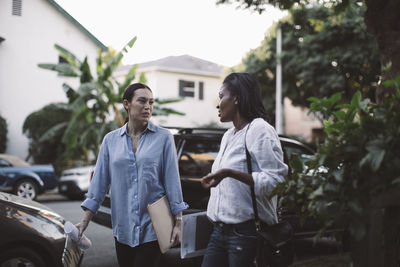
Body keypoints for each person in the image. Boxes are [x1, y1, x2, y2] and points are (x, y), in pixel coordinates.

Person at [76, 83, 188, 267]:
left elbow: (172, 182)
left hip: (153, 227)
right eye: (142, 101)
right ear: (127, 104)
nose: (148, 107)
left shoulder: (164, 138)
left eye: (151, 102)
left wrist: (179, 222)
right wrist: (84, 221)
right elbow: (99, 184)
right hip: (123, 229)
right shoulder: (110, 140)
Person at [200, 73, 288, 267]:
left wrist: (230, 173)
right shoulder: (229, 135)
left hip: (245, 232)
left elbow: (277, 181)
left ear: (237, 98)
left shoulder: (259, 129)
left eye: (222, 96)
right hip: (219, 230)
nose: (218, 103)